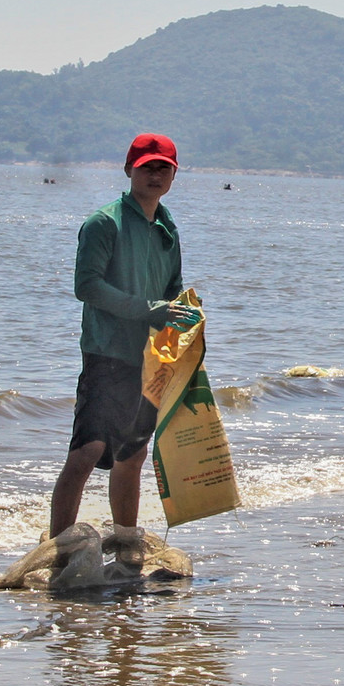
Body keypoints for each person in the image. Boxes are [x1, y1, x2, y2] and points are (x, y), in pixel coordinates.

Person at [49, 133, 200, 546]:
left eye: (163, 167)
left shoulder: (167, 228)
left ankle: (127, 541)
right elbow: (87, 287)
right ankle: (57, 549)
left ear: (173, 175)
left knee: (132, 455)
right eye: (147, 166)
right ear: (129, 169)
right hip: (107, 353)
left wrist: (186, 321)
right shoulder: (104, 222)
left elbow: (174, 288)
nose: (155, 174)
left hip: (152, 357)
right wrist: (148, 309)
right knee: (85, 452)